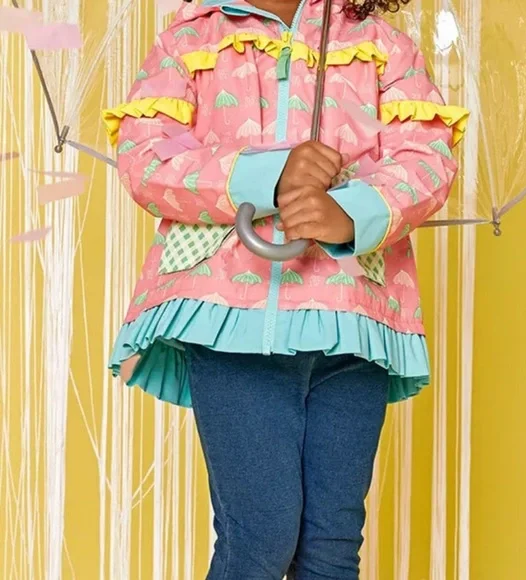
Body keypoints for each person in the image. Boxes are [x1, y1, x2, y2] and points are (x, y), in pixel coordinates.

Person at [102, 0, 468, 576]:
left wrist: (350, 213)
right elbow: (145, 159)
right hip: (231, 321)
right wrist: (269, 176)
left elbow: (426, 160)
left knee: (331, 546)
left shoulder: (382, 46)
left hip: (353, 323)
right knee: (261, 535)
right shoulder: (190, 41)